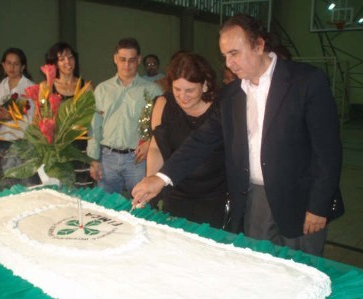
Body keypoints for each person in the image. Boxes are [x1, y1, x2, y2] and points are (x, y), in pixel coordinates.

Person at [132, 14, 344, 256]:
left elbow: (327, 152)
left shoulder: (306, 81)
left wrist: (318, 206)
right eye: (225, 56)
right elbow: (201, 141)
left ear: (259, 45)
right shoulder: (231, 95)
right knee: (260, 267)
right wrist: (161, 178)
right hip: (254, 198)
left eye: (234, 53)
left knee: (303, 271)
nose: (229, 63)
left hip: (300, 199)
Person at [147, 52, 227, 228]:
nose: (183, 96)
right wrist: (151, 182)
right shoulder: (163, 104)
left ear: (205, 85)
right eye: (177, 89)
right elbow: (156, 149)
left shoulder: (221, 108)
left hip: (212, 195)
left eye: (189, 90)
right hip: (175, 191)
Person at [87, 38, 162, 195]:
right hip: (107, 158)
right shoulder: (102, 89)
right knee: (105, 209)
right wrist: (93, 159)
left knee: (141, 209)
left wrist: (150, 143)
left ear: (139, 60)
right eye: (122, 60)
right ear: (115, 59)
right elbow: (95, 126)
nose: (126, 65)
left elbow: (163, 126)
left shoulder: (153, 91)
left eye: (132, 60)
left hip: (137, 160)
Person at [43, 42, 94, 189]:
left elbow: (91, 119)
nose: (68, 62)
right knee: (60, 191)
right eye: (62, 59)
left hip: (81, 146)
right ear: (54, 63)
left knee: (83, 190)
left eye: (71, 57)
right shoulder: (45, 87)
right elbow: (41, 119)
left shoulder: (86, 86)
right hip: (57, 148)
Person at [0, 47, 39, 189]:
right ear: (3, 65)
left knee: (27, 184)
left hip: (25, 142)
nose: (12, 67)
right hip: (5, 142)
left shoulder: (31, 87)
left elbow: (36, 117)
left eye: (16, 64)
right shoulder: (0, 88)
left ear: (23, 66)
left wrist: (15, 115)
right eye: (9, 63)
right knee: (7, 185)